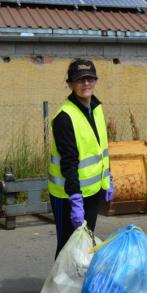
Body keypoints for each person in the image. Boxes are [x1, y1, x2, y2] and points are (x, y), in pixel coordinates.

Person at [48, 59, 114, 258]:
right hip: (68, 196)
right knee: (68, 248)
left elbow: (101, 148)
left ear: (95, 81)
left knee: (85, 246)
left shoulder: (97, 108)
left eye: (89, 79)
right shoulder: (64, 117)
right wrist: (75, 201)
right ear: (70, 84)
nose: (86, 84)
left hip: (92, 192)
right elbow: (69, 163)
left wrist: (108, 178)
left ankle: (78, 287)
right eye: (79, 80)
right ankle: (59, 289)